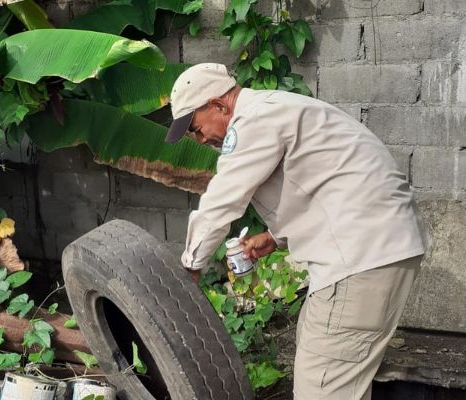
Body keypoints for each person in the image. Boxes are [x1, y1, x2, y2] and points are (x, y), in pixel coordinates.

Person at [166, 63, 428, 400]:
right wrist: (276, 237)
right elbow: (330, 180)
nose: (199, 139)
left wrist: (189, 270)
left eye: (196, 127)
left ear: (219, 104)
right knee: (322, 361)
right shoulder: (278, 108)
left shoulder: (253, 121)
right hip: (378, 248)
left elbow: (222, 200)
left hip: (360, 258)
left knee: (321, 387)